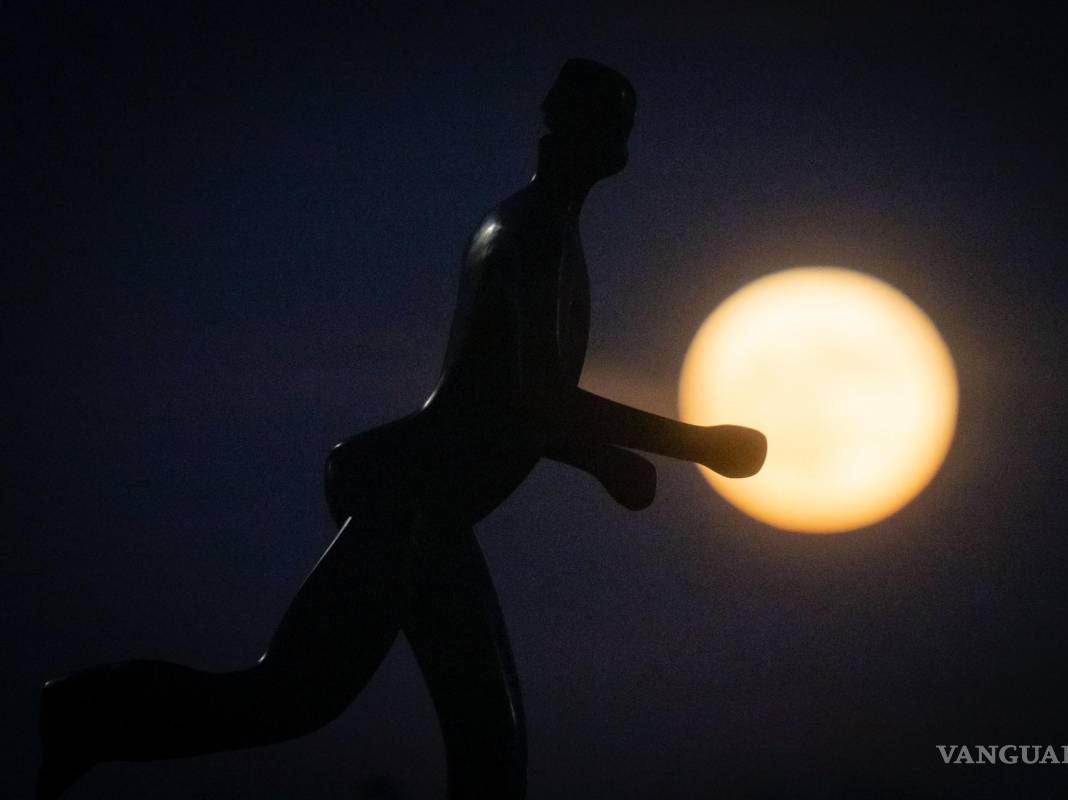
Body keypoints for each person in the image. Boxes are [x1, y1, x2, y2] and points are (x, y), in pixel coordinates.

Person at [37, 59, 766, 799]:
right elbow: (538, 395)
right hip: (406, 493)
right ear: (584, 136)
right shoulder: (528, 232)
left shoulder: (549, 235)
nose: (621, 149)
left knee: (490, 746)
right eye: (613, 129)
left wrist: (601, 461)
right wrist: (697, 443)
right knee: (292, 696)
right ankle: (83, 714)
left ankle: (87, 715)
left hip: (435, 512)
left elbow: (502, 396)